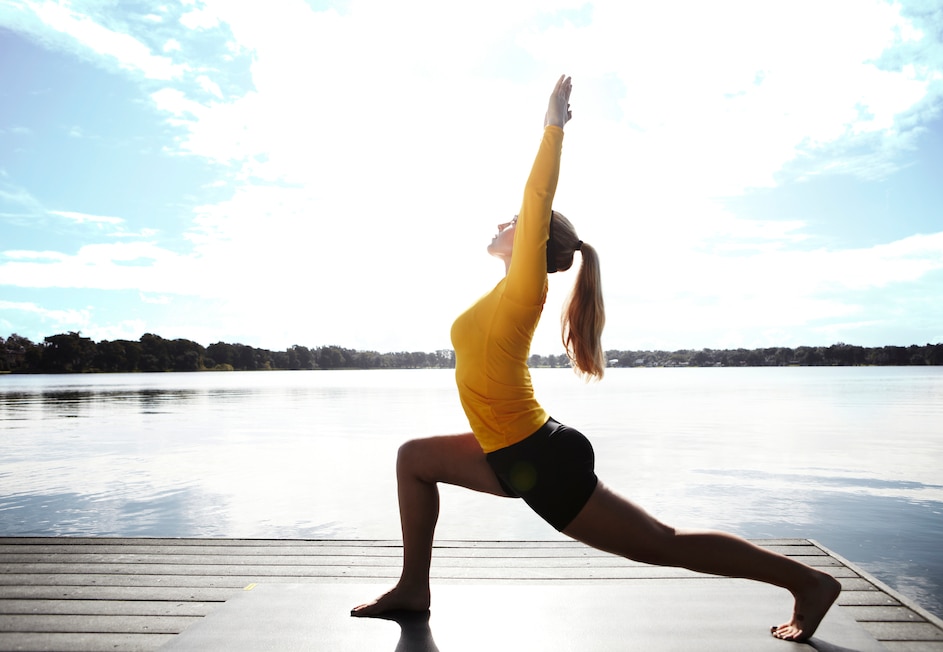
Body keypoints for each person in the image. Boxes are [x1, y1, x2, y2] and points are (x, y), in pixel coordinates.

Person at [351, 74, 841, 643]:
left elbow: (537, 198)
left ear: (533, 240)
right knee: (414, 458)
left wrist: (552, 125)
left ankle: (807, 583)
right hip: (508, 450)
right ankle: (414, 587)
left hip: (538, 455)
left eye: (511, 221)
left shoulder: (525, 288)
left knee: (663, 545)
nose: (501, 223)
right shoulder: (503, 291)